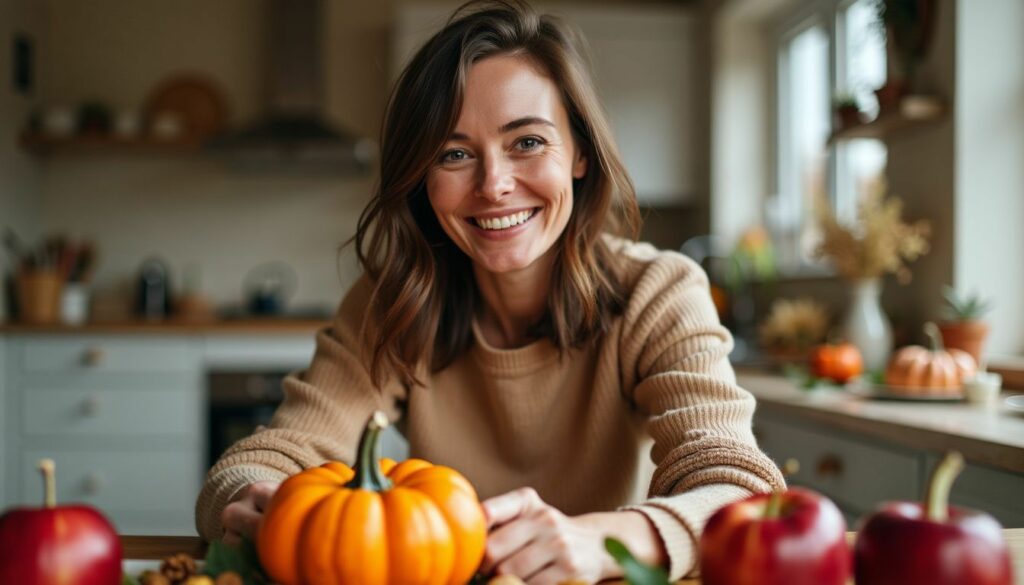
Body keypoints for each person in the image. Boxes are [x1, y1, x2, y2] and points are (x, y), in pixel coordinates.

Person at [195, 0, 784, 582]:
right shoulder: (393, 303)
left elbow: (734, 485)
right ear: (424, 182)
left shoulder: (659, 291)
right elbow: (272, 455)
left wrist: (603, 540)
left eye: (527, 141)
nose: (494, 185)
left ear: (579, 152)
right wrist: (247, 500)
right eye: (454, 154)